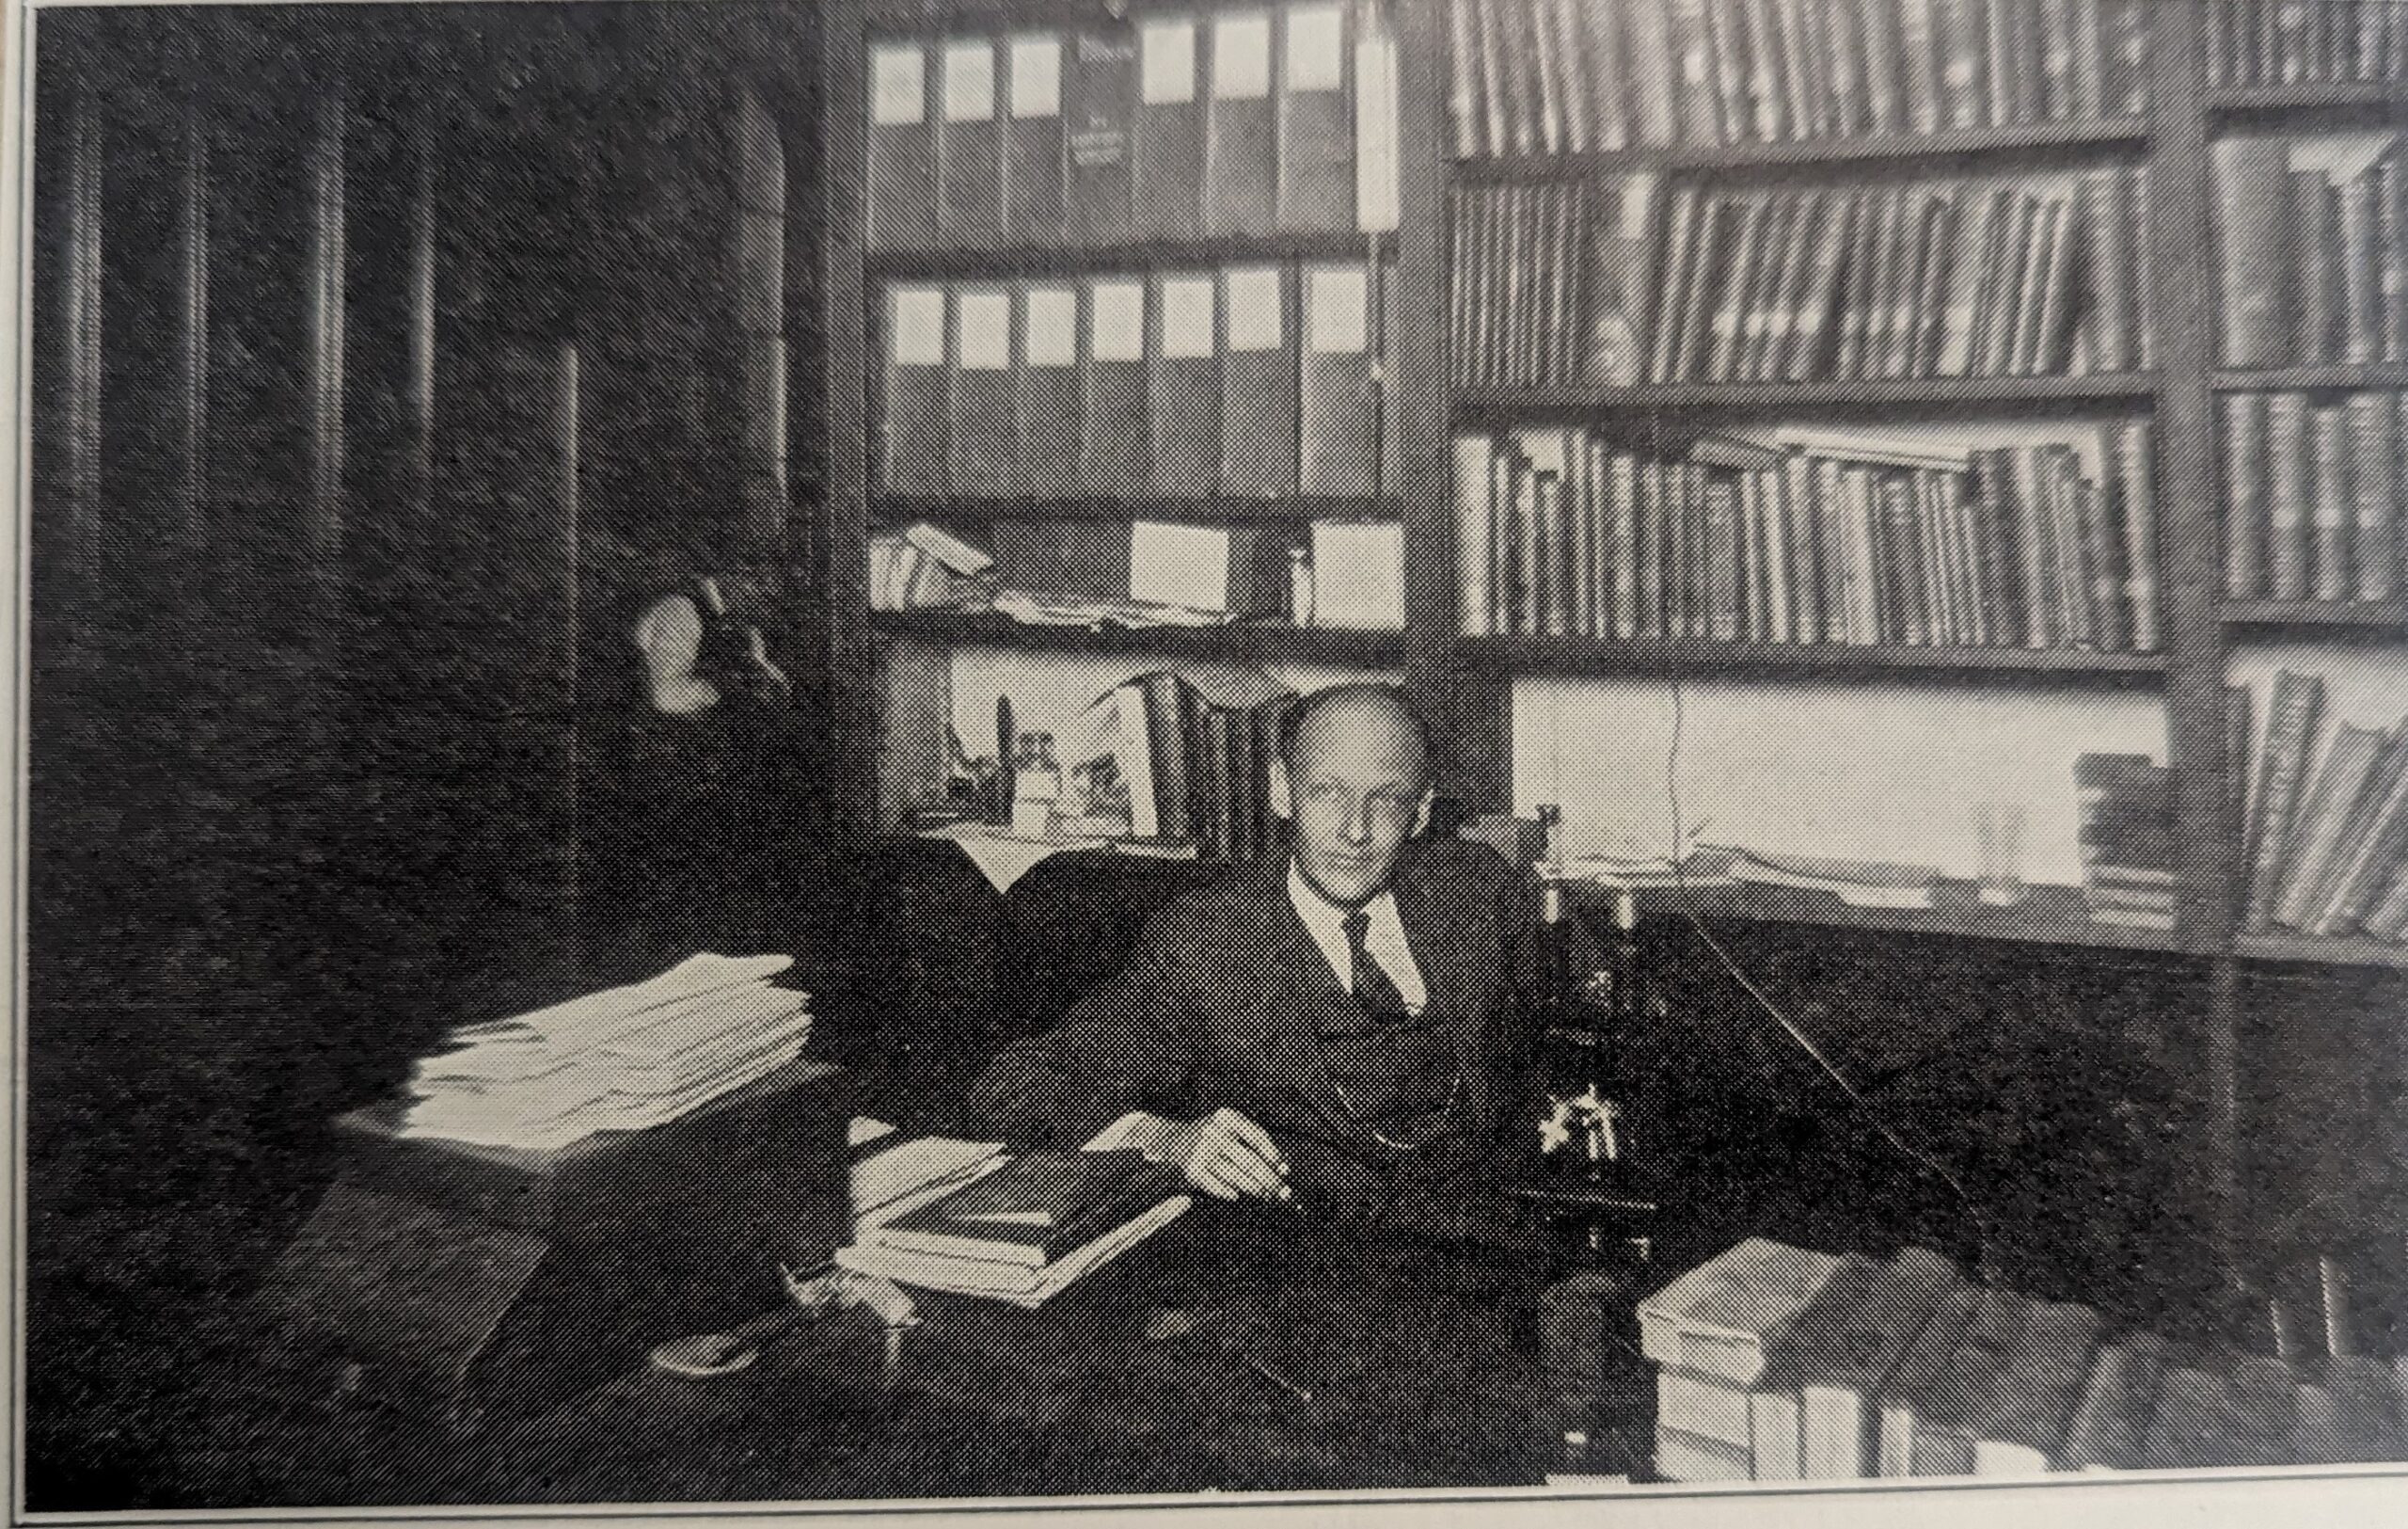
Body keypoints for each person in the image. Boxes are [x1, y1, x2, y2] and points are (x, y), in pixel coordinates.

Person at [960, 683, 1545, 1245]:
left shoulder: (1480, 892)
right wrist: (1168, 1140)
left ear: (1420, 815)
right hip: (1304, 1275)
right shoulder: (1204, 939)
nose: (1354, 831)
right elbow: (1016, 1089)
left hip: (1491, 1250)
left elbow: (1555, 1056)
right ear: (1282, 791)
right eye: (1327, 793)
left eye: (1386, 800)